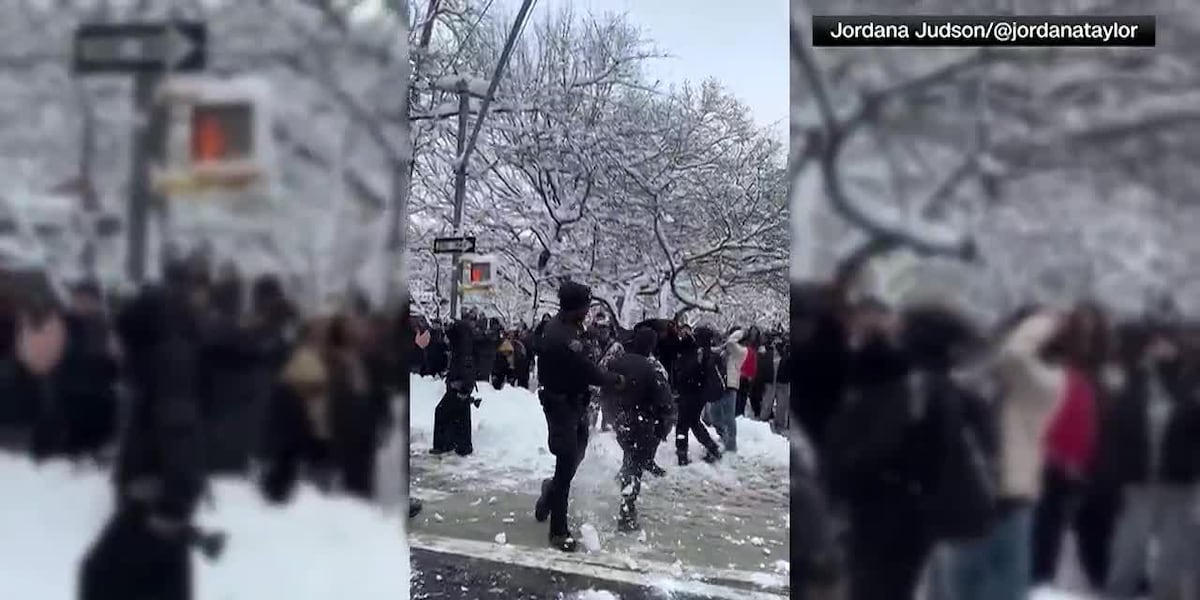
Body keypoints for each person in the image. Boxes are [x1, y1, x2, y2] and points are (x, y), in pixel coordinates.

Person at [78, 278, 208, 600]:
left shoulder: (165, 369)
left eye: (117, 338)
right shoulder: (159, 365)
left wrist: (173, 507)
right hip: (155, 499)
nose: (113, 345)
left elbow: (181, 436)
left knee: (99, 574)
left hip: (152, 501)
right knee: (161, 586)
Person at [533, 281, 623, 552]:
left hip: (575, 403)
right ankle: (558, 530)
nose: (587, 311)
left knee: (576, 455)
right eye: (585, 306)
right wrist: (614, 379)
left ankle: (551, 491)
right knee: (566, 463)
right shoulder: (562, 336)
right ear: (575, 307)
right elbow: (587, 370)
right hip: (561, 406)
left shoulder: (571, 326)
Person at [606, 327, 675, 531]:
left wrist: (613, 416)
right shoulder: (651, 368)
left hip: (622, 421)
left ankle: (623, 481)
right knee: (635, 468)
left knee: (631, 458)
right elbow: (665, 401)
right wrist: (662, 427)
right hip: (642, 422)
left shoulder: (617, 362)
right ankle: (627, 512)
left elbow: (605, 391)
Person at [430, 312, 477, 456]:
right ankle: (462, 445)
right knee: (461, 415)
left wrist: (462, 385)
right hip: (462, 385)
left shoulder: (461, 349)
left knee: (442, 411)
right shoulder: (464, 345)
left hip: (459, 385)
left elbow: (465, 366)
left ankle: (443, 444)